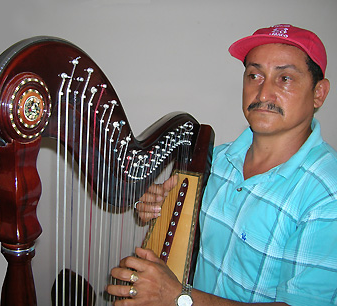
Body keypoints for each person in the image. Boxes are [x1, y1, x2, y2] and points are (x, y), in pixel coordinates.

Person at [106, 24, 337, 306]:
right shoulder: (218, 159)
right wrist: (159, 208)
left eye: (285, 78)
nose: (263, 94)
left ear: (319, 94)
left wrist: (177, 296)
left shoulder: (327, 193)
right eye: (254, 75)